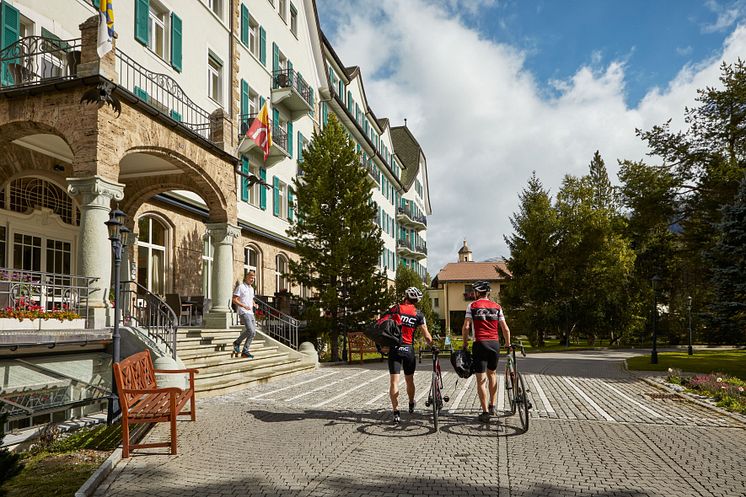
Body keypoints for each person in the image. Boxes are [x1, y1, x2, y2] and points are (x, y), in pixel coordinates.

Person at [462, 281, 511, 423]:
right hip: (494, 344)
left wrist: (465, 343)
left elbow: (466, 327)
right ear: (488, 293)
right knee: (492, 374)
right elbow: (505, 329)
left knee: (480, 379)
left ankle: (485, 413)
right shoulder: (497, 307)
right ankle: (492, 406)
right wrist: (507, 344)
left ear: (477, 293)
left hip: (480, 344)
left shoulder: (472, 306)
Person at [385, 286, 434, 424]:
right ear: (415, 301)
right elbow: (427, 336)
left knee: (394, 382)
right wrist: (433, 346)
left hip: (394, 348)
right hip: (408, 349)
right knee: (409, 380)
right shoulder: (418, 314)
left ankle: (396, 412)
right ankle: (411, 403)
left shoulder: (395, 309)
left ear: (405, 297)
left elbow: (383, 322)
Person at [232, 270, 257, 359]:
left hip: (251, 312)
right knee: (251, 330)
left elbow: (250, 298)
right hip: (243, 312)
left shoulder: (251, 289)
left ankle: (239, 345)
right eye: (251, 277)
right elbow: (234, 299)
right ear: (246, 277)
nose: (252, 279)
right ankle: (243, 348)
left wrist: (254, 304)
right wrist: (243, 305)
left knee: (253, 332)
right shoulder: (241, 287)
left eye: (253, 278)